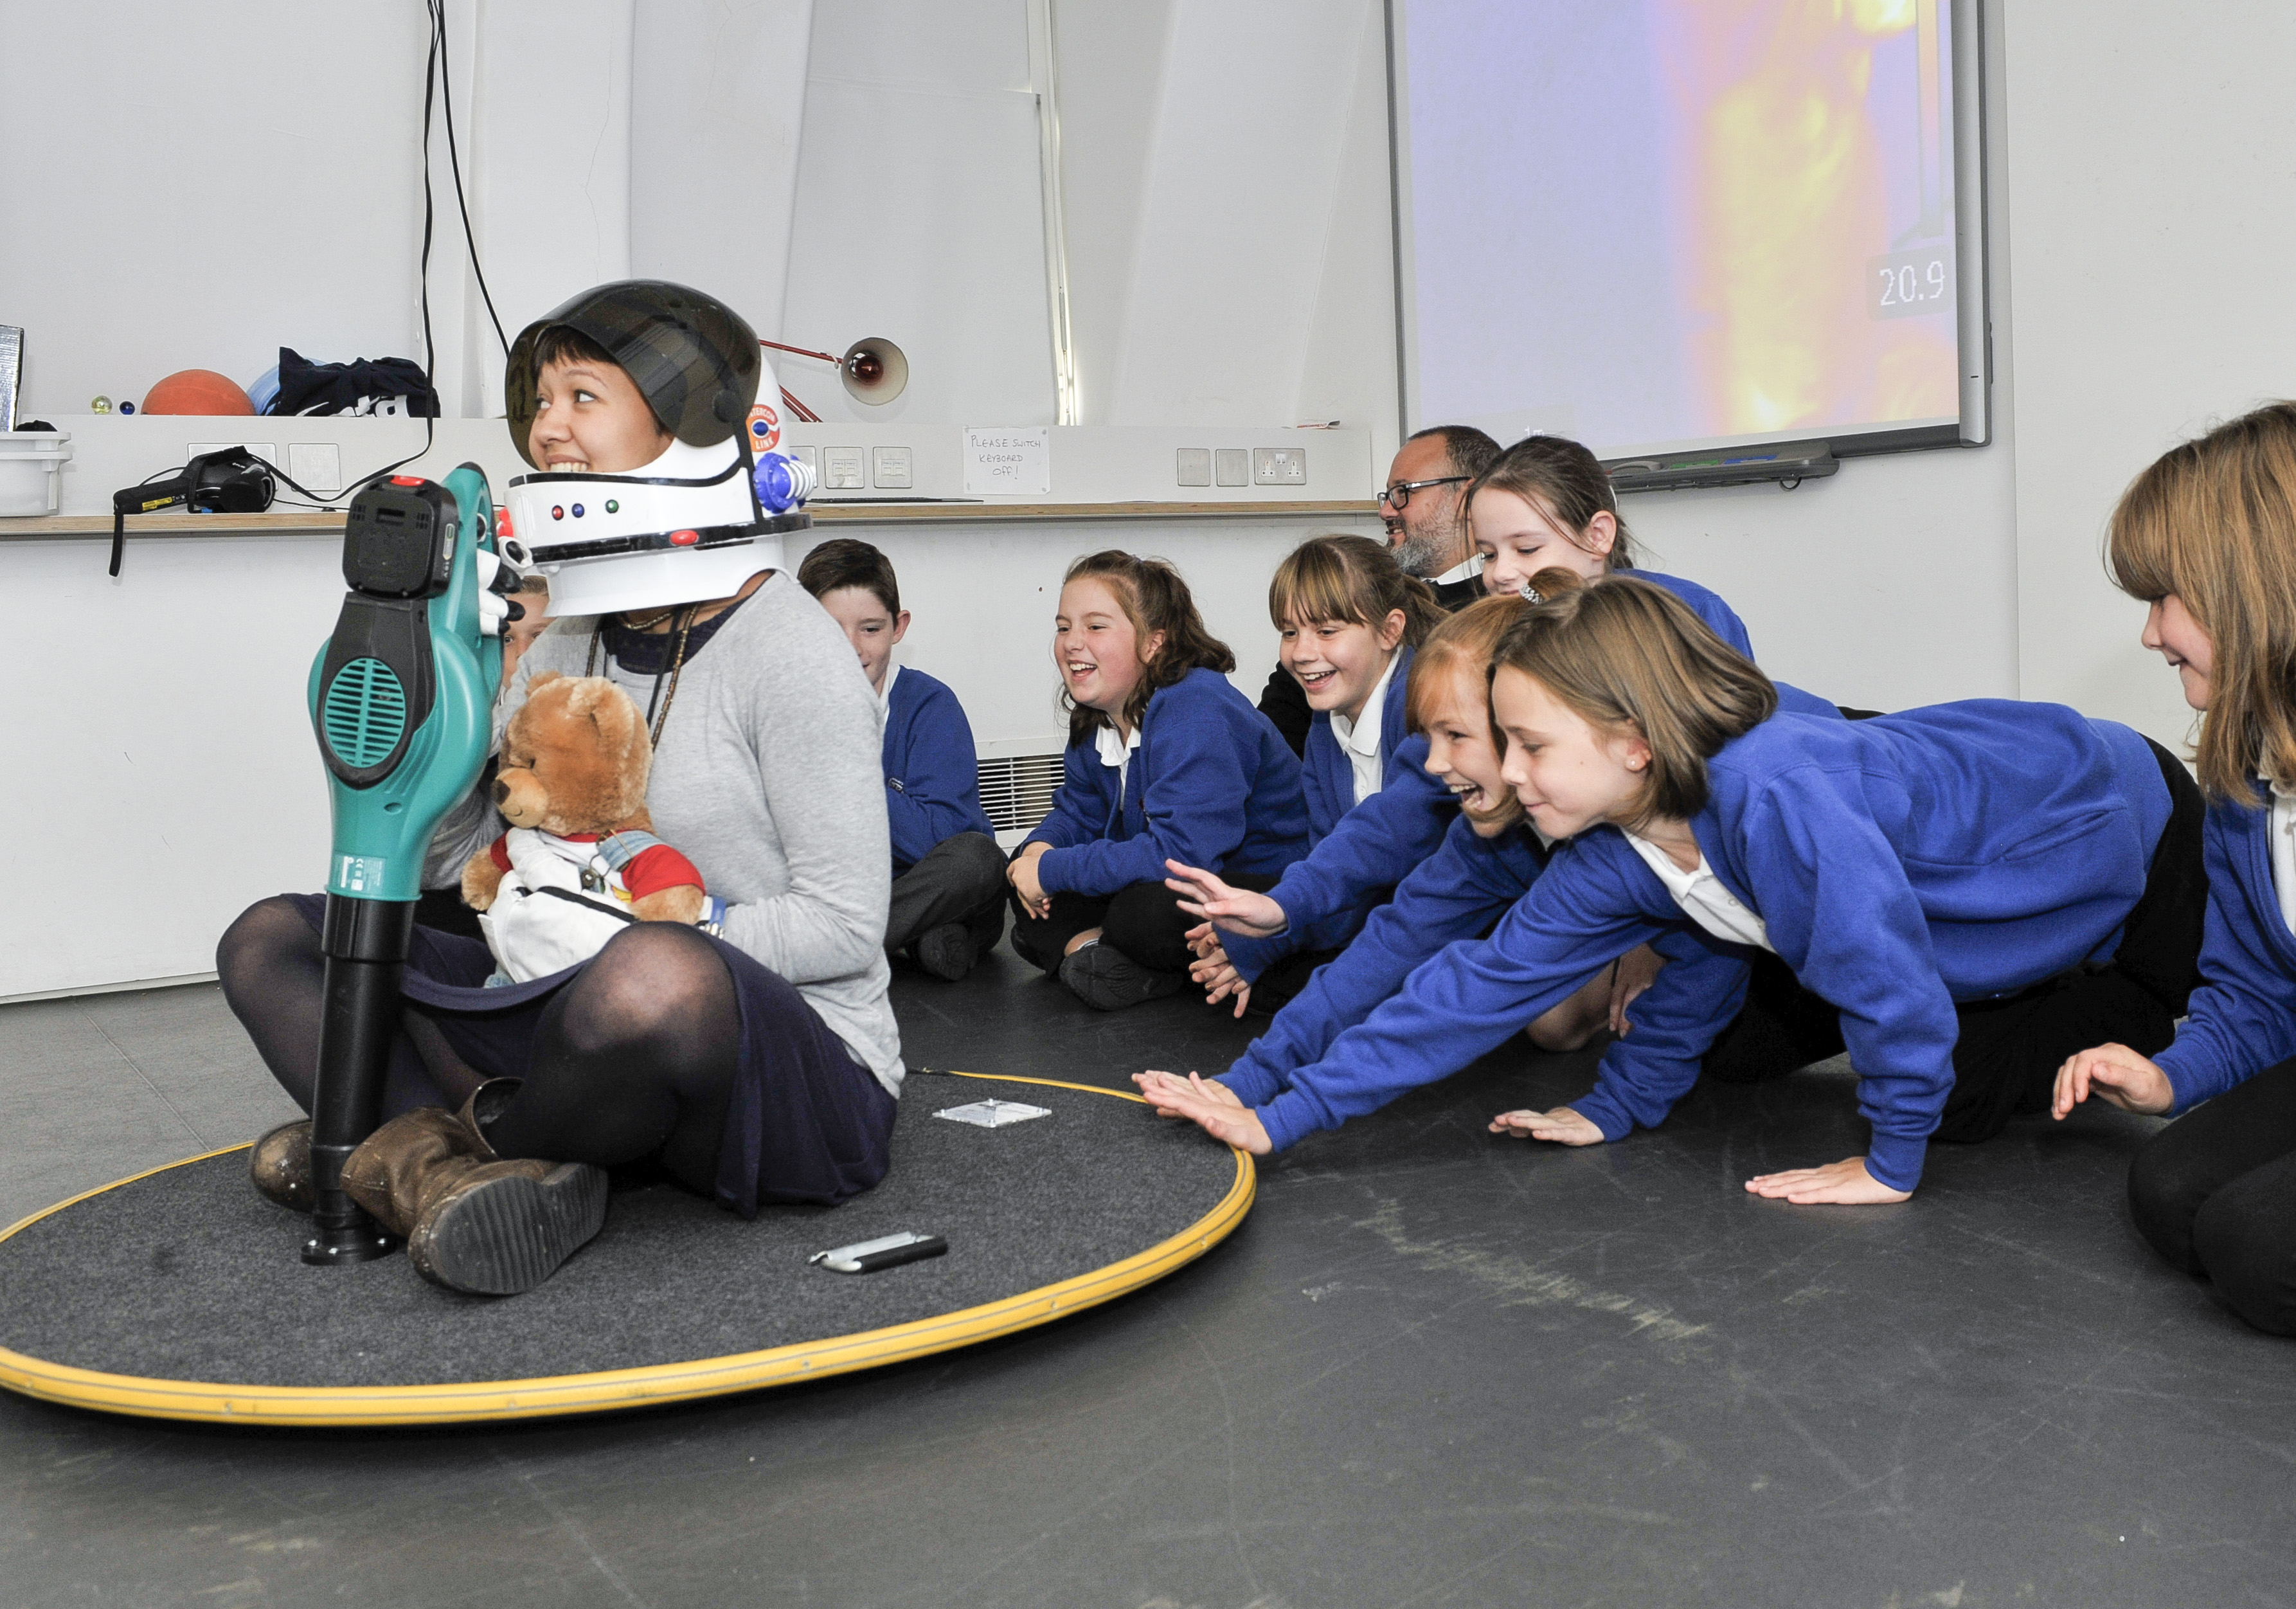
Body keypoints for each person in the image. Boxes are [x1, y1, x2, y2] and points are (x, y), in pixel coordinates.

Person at [220, 280, 900, 1295]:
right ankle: (454, 1169)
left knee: (649, 973)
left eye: (583, 397)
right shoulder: (568, 635)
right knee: (269, 937)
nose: (549, 429)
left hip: (774, 1055)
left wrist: (638, 943)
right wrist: (474, 700)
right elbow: (454, 868)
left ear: (688, 425)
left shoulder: (792, 652)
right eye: (541, 402)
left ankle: (390, 1145)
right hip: (561, 1014)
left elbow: (845, 927)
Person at [1140, 568, 2204, 1206]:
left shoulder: (1776, 798)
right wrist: (1280, 1117)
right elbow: (1468, 986)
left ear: (1633, 743)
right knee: (1891, 1034)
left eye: (1527, 745)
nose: (1506, 775)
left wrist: (1888, 1162)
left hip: (2124, 826)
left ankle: (2124, 1013)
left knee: (1973, 1075)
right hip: (1979, 905)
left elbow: (1883, 980)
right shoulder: (1618, 848)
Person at [1153, 597, 1739, 1132]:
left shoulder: (1721, 804)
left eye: (1455, 736)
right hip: (1730, 942)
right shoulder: (1495, 840)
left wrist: (1624, 1100)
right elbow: (1398, 957)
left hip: (1787, 956)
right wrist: (1252, 1086)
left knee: (1745, 1046)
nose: (1433, 763)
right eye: (1429, 738)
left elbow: (1717, 953)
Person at [2052, 402, 2296, 1334]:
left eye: (2167, 598)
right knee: (2169, 1190)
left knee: (2258, 1250)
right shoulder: (2244, 774)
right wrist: (2169, 1075)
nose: (2151, 634)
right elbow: (2259, 995)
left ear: (2255, 586)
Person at [1009, 550, 1309, 1011]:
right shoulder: (1098, 714)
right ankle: (1112, 963)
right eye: (1064, 626)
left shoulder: (1196, 706)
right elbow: (1078, 812)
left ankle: (1121, 958)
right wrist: (1038, 851)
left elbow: (1181, 856)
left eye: (1095, 626)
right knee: (1024, 884)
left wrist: (1049, 872)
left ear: (1153, 643)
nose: (1072, 642)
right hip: (1182, 875)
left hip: (1265, 884)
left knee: (1142, 915)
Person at [1179, 534, 1450, 1014]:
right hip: (1379, 916)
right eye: (1289, 632)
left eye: (1326, 632)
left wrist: (1277, 920)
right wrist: (1263, 939)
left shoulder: (1424, 704)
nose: (1301, 653)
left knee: (1300, 986)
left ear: (1390, 631)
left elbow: (1388, 834)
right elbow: (1331, 861)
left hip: (1446, 921)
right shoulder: (1325, 728)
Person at [799, 537, 1006, 982]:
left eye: (870, 629)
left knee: (978, 858)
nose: (851, 648)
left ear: (899, 626)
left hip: (925, 883)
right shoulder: (783, 710)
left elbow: (944, 837)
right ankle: (911, 940)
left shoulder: (930, 705)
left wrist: (846, 780)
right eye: (830, 630)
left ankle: (838, 949)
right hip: (840, 890)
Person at [1257, 426, 1502, 755]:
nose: (1386, 510)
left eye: (1404, 492)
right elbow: (1273, 733)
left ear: (1468, 497)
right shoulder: (1362, 587)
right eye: (1387, 495)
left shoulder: (1502, 608)